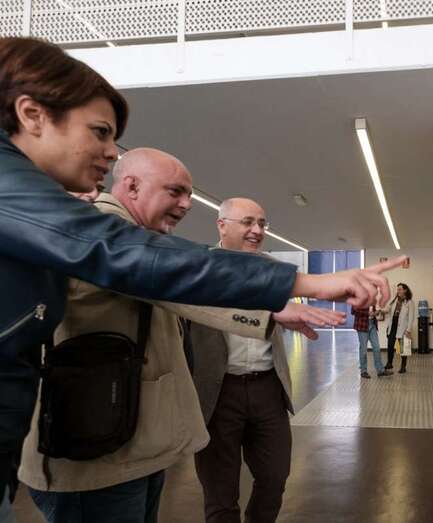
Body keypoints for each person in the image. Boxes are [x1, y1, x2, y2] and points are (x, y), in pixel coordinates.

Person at [0, 36, 403, 514]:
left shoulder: (46, 208)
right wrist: (306, 284)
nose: (111, 153)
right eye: (101, 132)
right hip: (90, 447)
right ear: (31, 115)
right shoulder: (52, 209)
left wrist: (280, 307)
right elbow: (143, 262)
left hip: (110, 442)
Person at [18, 151, 347, 522]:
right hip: (91, 448)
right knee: (220, 494)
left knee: (272, 478)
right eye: (176, 191)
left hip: (128, 444)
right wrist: (285, 296)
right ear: (132, 186)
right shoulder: (101, 226)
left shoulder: (137, 240)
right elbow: (173, 279)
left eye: (189, 195)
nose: (187, 204)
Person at [188, 197, 344, 523]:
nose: (257, 230)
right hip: (217, 393)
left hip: (267, 388)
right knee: (220, 491)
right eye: (247, 222)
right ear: (222, 225)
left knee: (275, 477)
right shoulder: (199, 268)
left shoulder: (274, 271)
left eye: (262, 224)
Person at [381, 283, 414, 374]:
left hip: (403, 327)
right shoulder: (394, 300)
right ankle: (389, 363)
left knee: (402, 347)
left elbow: (411, 317)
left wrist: (408, 330)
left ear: (405, 290)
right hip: (393, 325)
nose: (398, 291)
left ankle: (403, 367)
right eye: (397, 289)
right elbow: (387, 309)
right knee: (390, 345)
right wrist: (380, 310)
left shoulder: (409, 302)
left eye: (400, 289)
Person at [352, 305, 391, 379]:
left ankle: (380, 370)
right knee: (363, 349)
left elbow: (372, 310)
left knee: (377, 348)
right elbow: (353, 310)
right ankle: (363, 371)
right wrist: (368, 313)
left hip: (372, 324)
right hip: (362, 325)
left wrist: (376, 312)